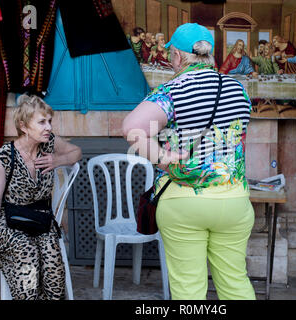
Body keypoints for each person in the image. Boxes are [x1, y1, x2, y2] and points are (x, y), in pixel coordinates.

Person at [122, 23, 256, 300]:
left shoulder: (172, 90)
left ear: (178, 57)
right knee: (235, 283)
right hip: (233, 200)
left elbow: (132, 128)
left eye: (171, 55)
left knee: (189, 290)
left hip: (183, 201)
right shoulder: (238, 90)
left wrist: (162, 157)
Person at [0, 95, 82, 300]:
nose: (49, 127)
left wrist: (58, 160)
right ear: (24, 126)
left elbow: (77, 152)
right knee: (26, 251)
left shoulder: (49, 144)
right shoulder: (3, 157)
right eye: (42, 122)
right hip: (6, 221)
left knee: (52, 259)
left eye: (50, 121)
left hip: (38, 218)